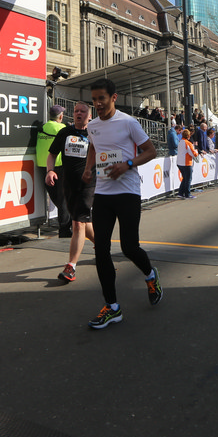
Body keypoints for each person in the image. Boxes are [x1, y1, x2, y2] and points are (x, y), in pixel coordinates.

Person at [81, 78, 160, 329]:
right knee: (101, 250)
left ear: (113, 98)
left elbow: (150, 151)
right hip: (103, 194)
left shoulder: (128, 122)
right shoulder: (93, 125)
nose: (97, 104)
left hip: (127, 192)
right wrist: (88, 169)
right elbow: (93, 147)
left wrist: (127, 164)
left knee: (129, 247)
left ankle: (150, 275)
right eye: (94, 100)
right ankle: (112, 307)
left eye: (101, 98)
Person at [46, 101, 96, 283]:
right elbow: (52, 154)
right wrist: (50, 171)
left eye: (82, 111)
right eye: (76, 111)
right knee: (82, 220)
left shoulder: (95, 133)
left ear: (89, 116)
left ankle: (71, 267)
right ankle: (101, 245)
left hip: (88, 184)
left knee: (77, 224)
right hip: (68, 184)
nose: (78, 114)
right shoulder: (65, 132)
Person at [36, 105, 70, 237]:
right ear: (61, 116)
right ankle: (65, 228)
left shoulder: (43, 127)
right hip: (58, 166)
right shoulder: (61, 128)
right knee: (63, 199)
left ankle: (67, 222)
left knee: (56, 197)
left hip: (42, 165)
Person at [175, 129, 198, 199]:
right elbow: (193, 154)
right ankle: (187, 194)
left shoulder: (180, 142)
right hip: (186, 163)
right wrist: (196, 151)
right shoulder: (188, 143)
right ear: (188, 136)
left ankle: (181, 193)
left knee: (185, 178)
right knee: (188, 179)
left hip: (179, 162)